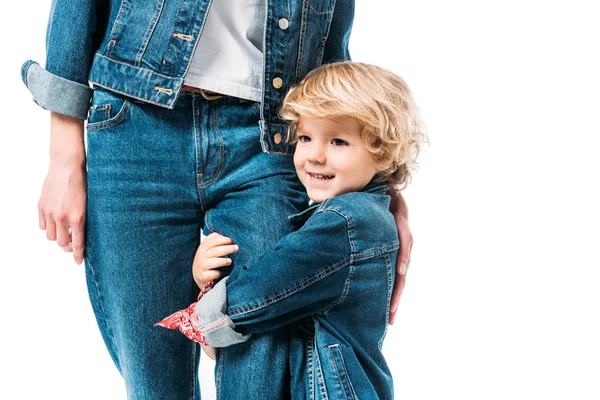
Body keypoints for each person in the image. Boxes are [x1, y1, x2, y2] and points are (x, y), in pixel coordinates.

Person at [20, 1, 413, 398]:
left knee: (261, 362)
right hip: (134, 125)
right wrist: (62, 156)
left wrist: (378, 182)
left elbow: (331, 32)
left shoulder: (335, 187)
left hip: (271, 137)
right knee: (153, 382)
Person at [158, 61, 426, 399]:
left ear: (383, 151)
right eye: (305, 137)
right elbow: (237, 341)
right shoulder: (354, 216)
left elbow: (261, 294)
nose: (314, 155)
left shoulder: (346, 220)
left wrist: (200, 309)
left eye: (338, 142)